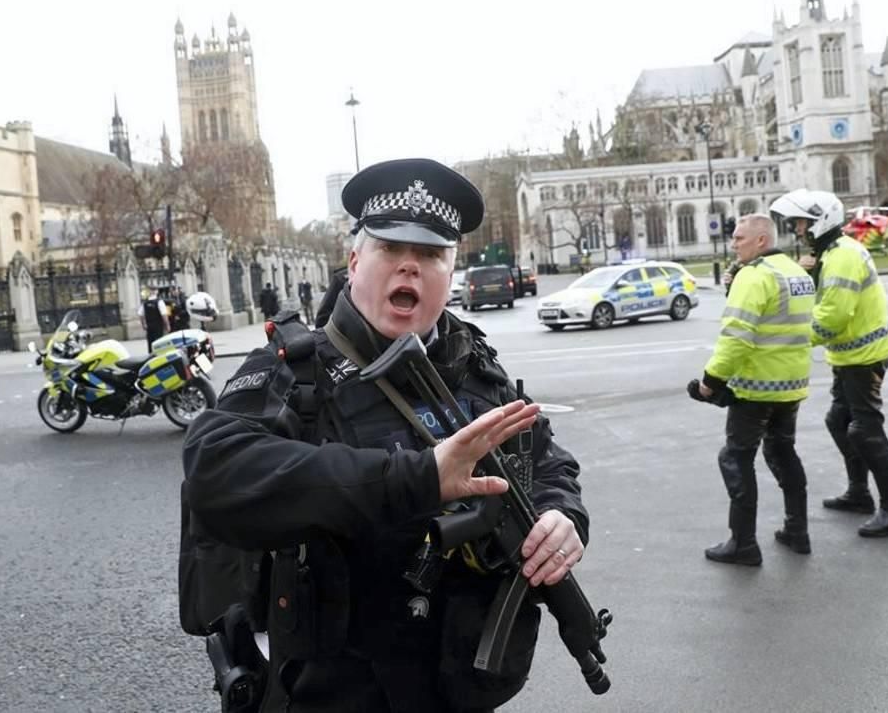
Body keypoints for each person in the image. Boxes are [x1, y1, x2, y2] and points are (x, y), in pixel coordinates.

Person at [182, 158, 589, 712]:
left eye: (429, 255)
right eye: (390, 250)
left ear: (451, 272)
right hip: (335, 691)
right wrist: (417, 479)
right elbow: (214, 468)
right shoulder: (298, 371)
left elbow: (545, 459)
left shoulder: (474, 364)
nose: (409, 268)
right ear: (354, 262)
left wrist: (561, 515)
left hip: (454, 684)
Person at [770, 189, 888, 538]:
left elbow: (832, 316)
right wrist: (811, 275)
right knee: (839, 421)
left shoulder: (843, 256)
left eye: (803, 223)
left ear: (821, 222)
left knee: (865, 430)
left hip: (864, 359)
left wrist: (791, 340)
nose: (799, 230)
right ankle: (860, 493)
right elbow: (822, 300)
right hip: (848, 358)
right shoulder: (832, 254)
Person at [692, 215, 815, 565]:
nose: (733, 243)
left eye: (740, 238)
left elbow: (736, 338)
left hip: (756, 389)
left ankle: (743, 543)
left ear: (761, 240)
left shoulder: (755, 275)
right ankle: (797, 531)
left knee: (735, 458)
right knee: (783, 453)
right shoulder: (796, 273)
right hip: (791, 387)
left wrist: (710, 383)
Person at [139, 286, 170, 353]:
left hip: (149, 326)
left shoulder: (145, 302)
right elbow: (164, 315)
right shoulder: (159, 302)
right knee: (159, 343)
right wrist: (167, 325)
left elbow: (140, 314)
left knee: (150, 343)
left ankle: (151, 356)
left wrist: (143, 324)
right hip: (158, 326)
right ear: (156, 292)